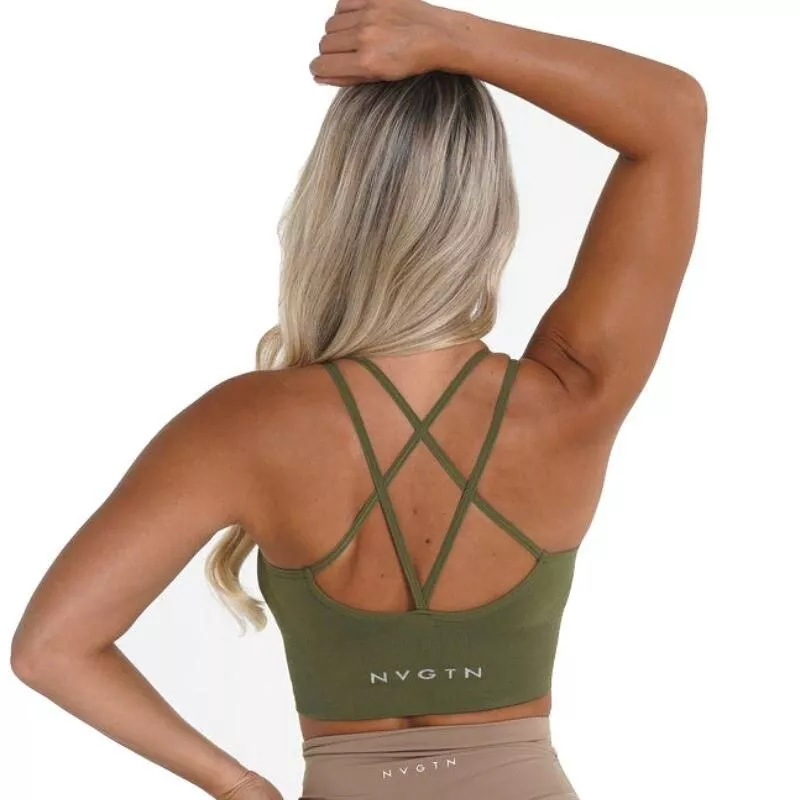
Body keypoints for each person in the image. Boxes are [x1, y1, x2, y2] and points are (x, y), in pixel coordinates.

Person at [9, 1, 707, 799]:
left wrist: (238, 786)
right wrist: (453, 38)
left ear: (329, 207)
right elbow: (671, 116)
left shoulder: (245, 425)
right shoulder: (570, 395)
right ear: (489, 214)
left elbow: (51, 648)